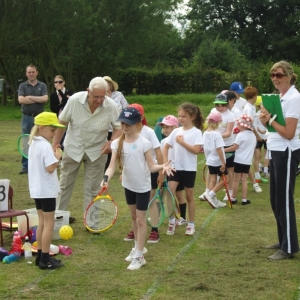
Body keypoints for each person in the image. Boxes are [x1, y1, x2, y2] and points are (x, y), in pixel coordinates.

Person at [103, 107, 174, 270]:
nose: (124, 127)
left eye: (128, 124)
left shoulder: (144, 143)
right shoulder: (116, 143)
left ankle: (140, 256)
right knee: (134, 217)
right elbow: (111, 166)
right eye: (122, 123)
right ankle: (137, 247)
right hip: (128, 185)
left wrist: (162, 166)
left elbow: (151, 166)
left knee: (141, 220)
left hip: (143, 186)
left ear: (137, 124)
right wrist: (106, 178)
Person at [52, 77, 122, 223]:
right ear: (88, 92)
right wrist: (55, 145)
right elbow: (62, 123)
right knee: (64, 185)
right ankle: (57, 218)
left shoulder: (111, 105)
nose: (99, 100)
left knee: (93, 188)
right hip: (73, 148)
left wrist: (111, 142)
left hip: (97, 150)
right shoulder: (74, 100)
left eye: (103, 96)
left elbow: (118, 128)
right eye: (96, 96)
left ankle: (91, 221)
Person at [260, 60, 300, 260]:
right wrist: (265, 121)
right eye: (272, 75)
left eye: (279, 75)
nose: (275, 79)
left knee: (284, 200)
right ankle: (283, 239)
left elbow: (290, 133)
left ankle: (289, 247)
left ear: (290, 77)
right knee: (275, 200)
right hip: (276, 149)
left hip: (287, 150)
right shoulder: (279, 97)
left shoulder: (293, 98)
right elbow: (275, 129)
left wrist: (271, 120)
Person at [28, 112, 65, 269]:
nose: (54, 133)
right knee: (49, 224)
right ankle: (45, 259)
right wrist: (58, 156)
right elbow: (50, 168)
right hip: (46, 191)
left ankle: (40, 256)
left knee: (42, 223)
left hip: (38, 190)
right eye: (52, 130)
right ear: (41, 128)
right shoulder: (43, 146)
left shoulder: (34, 143)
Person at [123, 103, 163, 243]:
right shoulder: (126, 132)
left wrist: (161, 172)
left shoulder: (149, 132)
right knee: (134, 207)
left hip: (150, 171)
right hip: (135, 174)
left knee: (151, 201)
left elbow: (158, 152)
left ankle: (154, 230)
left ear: (141, 118)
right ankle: (137, 230)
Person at [163, 103, 204, 236]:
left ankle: (191, 223)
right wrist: (166, 164)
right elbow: (165, 147)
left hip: (189, 169)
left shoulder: (196, 132)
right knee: (169, 193)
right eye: (179, 116)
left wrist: (182, 142)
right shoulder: (176, 131)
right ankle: (171, 220)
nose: (180, 118)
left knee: (189, 196)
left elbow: (197, 150)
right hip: (175, 168)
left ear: (192, 117)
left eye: (184, 116)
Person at [157, 115, 187, 225]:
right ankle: (172, 216)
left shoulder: (180, 139)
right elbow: (161, 157)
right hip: (167, 170)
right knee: (168, 194)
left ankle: (182, 217)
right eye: (163, 127)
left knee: (178, 195)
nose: (165, 129)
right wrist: (162, 169)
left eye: (167, 127)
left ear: (175, 128)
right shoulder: (163, 141)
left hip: (177, 170)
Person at [18, 64, 48, 174]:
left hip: (40, 118)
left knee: (41, 140)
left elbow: (45, 98)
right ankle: (26, 166)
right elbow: (21, 100)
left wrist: (30, 98)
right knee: (26, 140)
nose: (31, 74)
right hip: (27, 117)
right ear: (26, 73)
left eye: (33, 72)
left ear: (37, 72)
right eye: (29, 72)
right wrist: (37, 99)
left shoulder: (42, 85)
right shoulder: (22, 86)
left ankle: (41, 164)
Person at [224, 114, 256, 205]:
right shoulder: (252, 135)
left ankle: (233, 198)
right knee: (244, 180)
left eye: (238, 124)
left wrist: (223, 150)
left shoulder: (240, 135)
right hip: (248, 161)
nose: (237, 125)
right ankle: (244, 199)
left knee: (236, 180)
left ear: (242, 125)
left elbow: (234, 147)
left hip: (239, 160)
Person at [242, 87, 266, 189]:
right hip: (249, 136)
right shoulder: (248, 108)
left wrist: (260, 131)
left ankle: (256, 176)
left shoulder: (251, 107)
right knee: (249, 158)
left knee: (257, 155)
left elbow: (254, 123)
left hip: (253, 135)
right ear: (254, 96)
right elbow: (249, 125)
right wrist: (257, 136)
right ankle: (251, 178)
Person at [202, 112, 227, 209]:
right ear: (217, 123)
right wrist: (223, 162)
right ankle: (211, 194)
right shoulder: (217, 134)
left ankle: (214, 199)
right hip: (218, 161)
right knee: (227, 180)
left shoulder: (205, 133)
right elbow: (219, 149)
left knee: (213, 180)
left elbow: (206, 149)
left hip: (210, 160)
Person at [103, 76, 129, 170]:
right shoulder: (101, 96)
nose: (105, 85)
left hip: (119, 126)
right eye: (103, 83)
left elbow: (127, 107)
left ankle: (123, 165)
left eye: (107, 83)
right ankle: (107, 166)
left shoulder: (119, 95)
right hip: (106, 126)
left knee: (120, 145)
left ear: (111, 85)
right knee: (108, 146)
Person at [50, 75, 73, 150]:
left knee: (67, 138)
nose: (58, 84)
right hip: (58, 119)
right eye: (56, 82)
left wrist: (60, 91)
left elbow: (69, 103)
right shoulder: (53, 95)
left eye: (60, 82)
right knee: (58, 139)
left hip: (69, 119)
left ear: (64, 83)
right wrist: (61, 105)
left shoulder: (69, 92)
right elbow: (53, 108)